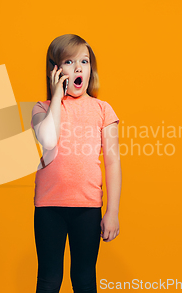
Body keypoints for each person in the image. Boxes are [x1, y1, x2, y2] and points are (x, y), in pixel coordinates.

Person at [30, 34, 122, 293]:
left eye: (84, 61)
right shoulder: (43, 108)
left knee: (84, 280)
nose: (79, 67)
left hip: (87, 207)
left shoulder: (103, 109)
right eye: (69, 62)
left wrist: (112, 212)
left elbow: (113, 162)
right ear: (55, 70)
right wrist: (57, 96)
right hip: (49, 207)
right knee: (49, 280)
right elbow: (48, 139)